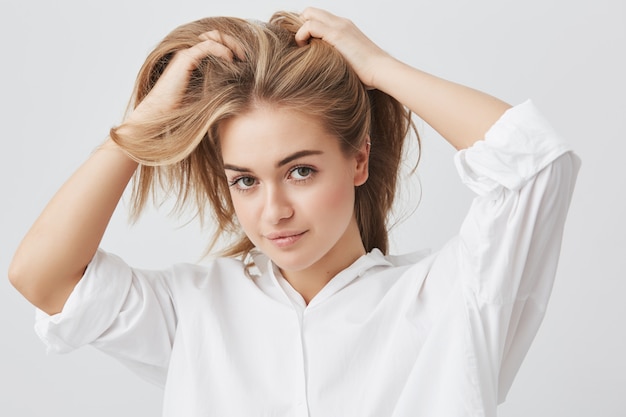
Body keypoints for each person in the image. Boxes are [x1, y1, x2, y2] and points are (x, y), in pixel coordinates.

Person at [8, 7, 579, 417]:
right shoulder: (192, 313)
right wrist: (140, 129)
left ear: (358, 160)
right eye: (246, 180)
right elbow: (42, 277)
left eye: (300, 170)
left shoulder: (457, 297)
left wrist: (379, 68)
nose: (273, 210)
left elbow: (532, 163)